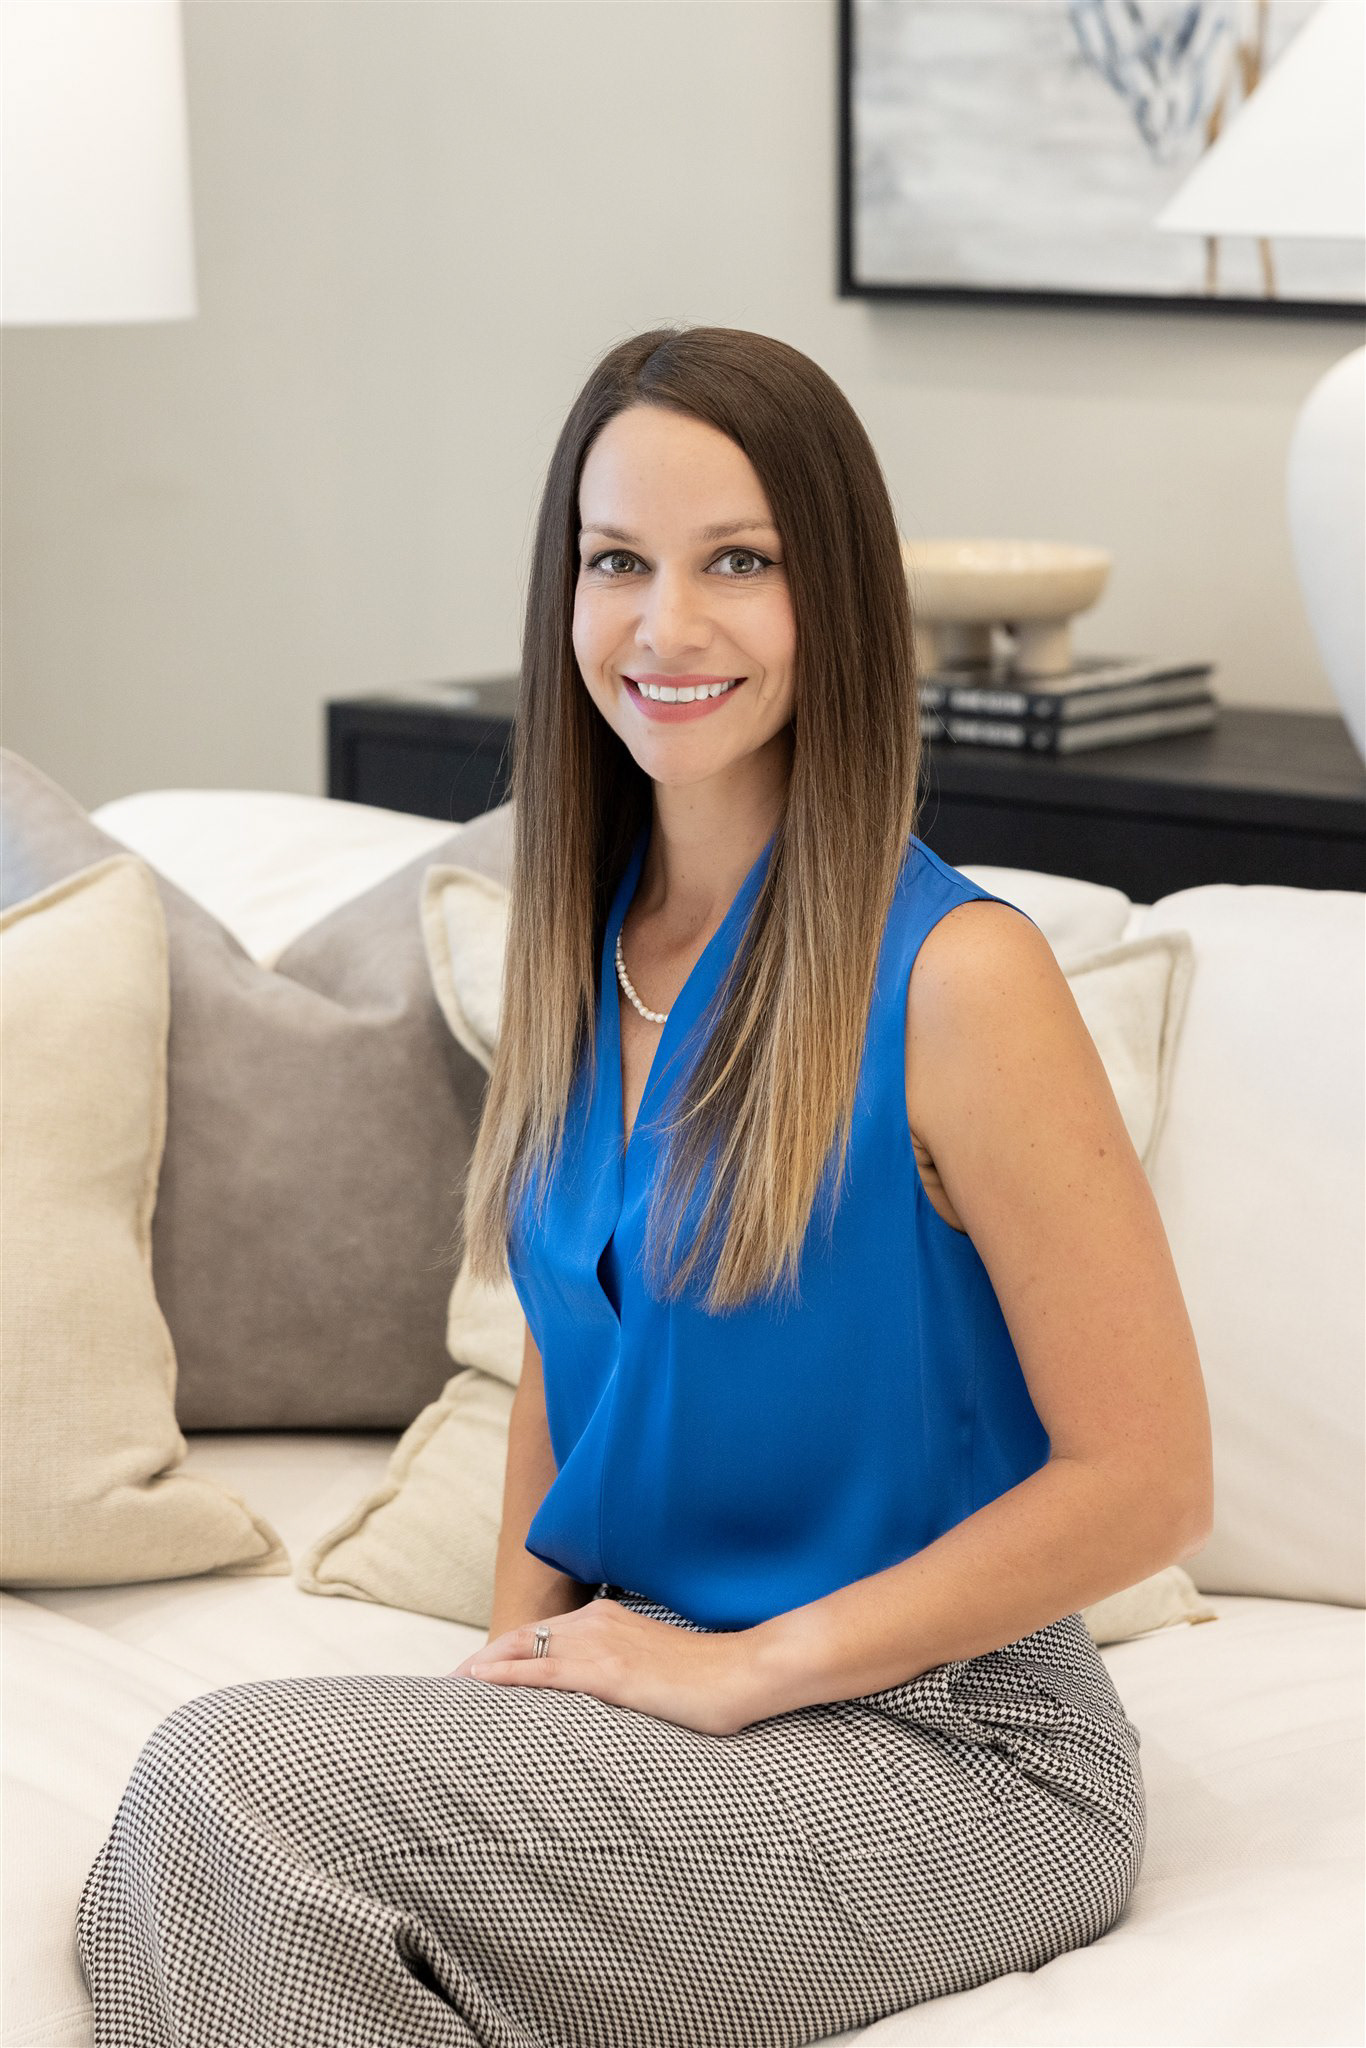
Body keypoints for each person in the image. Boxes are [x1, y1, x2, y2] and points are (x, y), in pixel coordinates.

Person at [76, 324, 1213, 2047]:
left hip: (953, 1751)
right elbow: (565, 1352)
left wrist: (749, 1666)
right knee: (151, 1886)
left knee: (235, 1794)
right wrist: (511, 1680)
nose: (665, 628)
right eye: (617, 563)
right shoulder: (583, 948)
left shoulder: (959, 978)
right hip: (655, 1684)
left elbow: (1148, 1480)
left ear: (831, 599)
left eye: (737, 563)